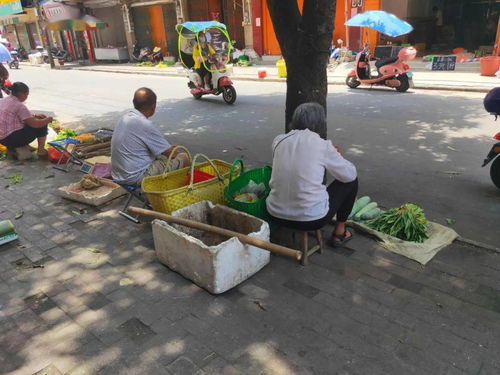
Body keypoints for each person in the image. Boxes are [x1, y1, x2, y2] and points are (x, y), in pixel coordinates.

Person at [266, 103, 358, 247]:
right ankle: (340, 232)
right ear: (319, 123)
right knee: (351, 181)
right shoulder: (323, 146)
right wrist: (337, 156)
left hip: (274, 213)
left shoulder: (278, 141)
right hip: (311, 219)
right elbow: (350, 174)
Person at [111, 87, 190, 186]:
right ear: (153, 106)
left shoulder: (124, 118)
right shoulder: (144, 124)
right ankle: (178, 195)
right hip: (135, 177)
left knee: (162, 156)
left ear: (134, 102)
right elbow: (171, 154)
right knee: (184, 157)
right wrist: (172, 151)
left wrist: (167, 150)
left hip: (118, 175)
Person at [0, 82, 53, 160]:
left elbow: (18, 115)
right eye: (26, 95)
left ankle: (26, 146)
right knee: (42, 123)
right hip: (12, 139)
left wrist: (34, 116)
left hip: (2, 139)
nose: (27, 97)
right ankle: (41, 150)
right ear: (22, 94)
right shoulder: (19, 105)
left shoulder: (4, 100)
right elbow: (36, 124)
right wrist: (48, 119)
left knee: (30, 122)